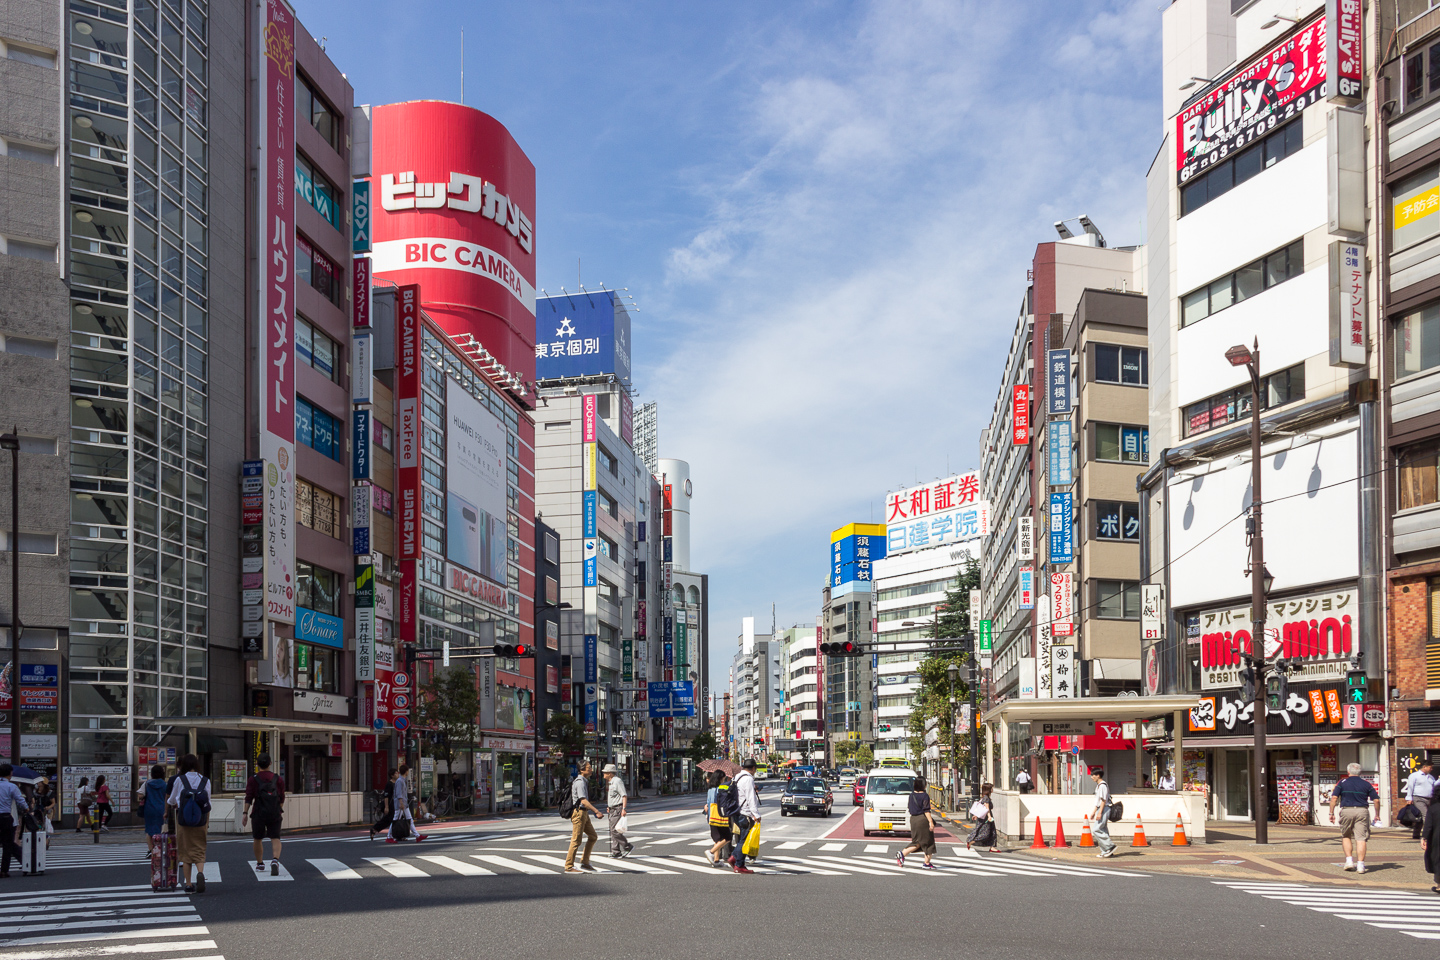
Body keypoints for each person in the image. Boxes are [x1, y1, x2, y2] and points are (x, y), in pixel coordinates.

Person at [166, 754, 210, 894]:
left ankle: (189, 884)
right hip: (201, 819)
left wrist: (172, 805)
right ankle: (201, 873)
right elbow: (208, 801)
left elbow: (172, 800)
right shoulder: (205, 780)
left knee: (185, 851)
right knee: (199, 847)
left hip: (183, 819)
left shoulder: (180, 779)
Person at [1329, 762, 1380, 874]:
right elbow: (1376, 800)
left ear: (1348, 772)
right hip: (1362, 811)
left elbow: (1334, 798)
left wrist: (1331, 813)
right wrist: (1377, 815)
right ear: (1360, 772)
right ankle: (1361, 865)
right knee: (1361, 838)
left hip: (1347, 810)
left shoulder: (1342, 782)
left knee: (1346, 835)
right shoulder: (1366, 784)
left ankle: (1349, 861)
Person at [242, 753, 286, 875]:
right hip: (274, 812)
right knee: (275, 837)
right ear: (270, 763)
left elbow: (249, 797)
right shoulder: (278, 779)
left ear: (257, 764)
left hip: (258, 813)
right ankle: (275, 860)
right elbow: (282, 797)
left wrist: (245, 813)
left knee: (257, 838)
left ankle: (260, 863)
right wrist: (278, 809)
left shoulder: (253, 779)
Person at [564, 760, 600, 873]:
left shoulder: (584, 781)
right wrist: (596, 811)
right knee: (576, 840)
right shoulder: (580, 782)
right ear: (582, 769)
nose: (591, 769)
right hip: (579, 812)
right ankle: (569, 866)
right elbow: (583, 800)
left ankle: (585, 862)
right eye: (589, 768)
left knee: (593, 836)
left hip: (583, 813)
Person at [897, 775, 937, 869]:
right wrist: (931, 821)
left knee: (918, 841)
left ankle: (902, 854)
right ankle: (926, 863)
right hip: (922, 820)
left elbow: (910, 808)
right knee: (928, 842)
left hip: (913, 819)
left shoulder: (911, 795)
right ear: (923, 785)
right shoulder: (924, 796)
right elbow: (926, 810)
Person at [731, 758, 761, 874]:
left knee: (743, 839)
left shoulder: (737, 777)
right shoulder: (748, 779)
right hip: (745, 813)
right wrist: (756, 814)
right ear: (753, 768)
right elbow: (750, 798)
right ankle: (738, 863)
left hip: (736, 811)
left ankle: (736, 859)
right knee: (744, 840)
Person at [0, 765, 28, 879]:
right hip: (5, 817)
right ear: (10, 774)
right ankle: (4, 870)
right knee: (8, 844)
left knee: (8, 843)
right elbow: (20, 800)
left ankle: (24, 860)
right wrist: (27, 809)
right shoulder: (11, 786)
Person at [387, 764, 427, 843]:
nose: (408, 772)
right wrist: (401, 803)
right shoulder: (400, 781)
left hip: (404, 804)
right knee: (395, 819)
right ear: (406, 772)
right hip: (401, 805)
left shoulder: (401, 780)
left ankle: (417, 836)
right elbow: (399, 794)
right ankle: (389, 836)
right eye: (407, 771)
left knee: (410, 820)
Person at [602, 764, 633, 859]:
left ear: (610, 773)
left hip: (617, 809)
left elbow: (624, 795)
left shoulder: (617, 781)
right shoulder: (611, 782)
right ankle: (616, 851)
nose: (603, 774)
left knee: (614, 830)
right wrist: (609, 806)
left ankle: (627, 846)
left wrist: (624, 808)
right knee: (613, 830)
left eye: (605, 772)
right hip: (612, 809)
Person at [704, 771, 733, 867]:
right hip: (720, 815)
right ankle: (711, 852)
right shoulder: (720, 789)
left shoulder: (710, 790)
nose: (724, 780)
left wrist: (708, 817)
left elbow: (708, 804)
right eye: (723, 779)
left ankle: (716, 861)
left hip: (712, 816)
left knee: (718, 839)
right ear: (720, 779)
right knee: (727, 837)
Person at [138, 764, 168, 855]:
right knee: (161, 829)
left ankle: (151, 850)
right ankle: (159, 848)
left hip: (149, 809)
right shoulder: (165, 784)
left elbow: (140, 795)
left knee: (149, 830)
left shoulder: (147, 783)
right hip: (161, 809)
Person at [1404, 761, 1436, 841]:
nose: (1431, 769)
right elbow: (1410, 787)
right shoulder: (1414, 775)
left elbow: (1435, 786)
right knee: (1426, 815)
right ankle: (1428, 834)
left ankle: (1416, 834)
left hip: (1429, 798)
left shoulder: (1431, 777)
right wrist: (1409, 798)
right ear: (1424, 767)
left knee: (1420, 817)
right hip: (1418, 798)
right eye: (1430, 767)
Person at [1089, 769, 1117, 859]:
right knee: (1103, 830)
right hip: (1101, 809)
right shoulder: (1099, 786)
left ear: (1098, 775)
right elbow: (1098, 801)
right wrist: (1094, 812)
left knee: (1096, 830)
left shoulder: (1102, 786)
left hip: (1104, 809)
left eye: (1093, 775)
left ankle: (1110, 846)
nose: (1091, 777)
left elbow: (1103, 800)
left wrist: (1099, 813)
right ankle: (1106, 851)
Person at [968, 782, 1000, 853]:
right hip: (986, 818)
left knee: (992, 832)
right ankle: (971, 841)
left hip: (984, 817)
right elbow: (986, 809)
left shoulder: (985, 797)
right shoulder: (986, 798)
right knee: (985, 833)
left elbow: (981, 808)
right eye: (991, 788)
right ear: (988, 789)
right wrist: (989, 817)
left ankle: (992, 847)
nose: (992, 789)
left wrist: (976, 815)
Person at [371, 769, 397, 841]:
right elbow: (386, 796)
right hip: (390, 804)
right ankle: (375, 829)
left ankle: (375, 829)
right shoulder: (389, 784)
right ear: (392, 775)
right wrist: (386, 807)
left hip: (395, 804)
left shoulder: (396, 783)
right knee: (389, 819)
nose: (397, 774)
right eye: (396, 773)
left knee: (392, 819)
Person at [1422, 791, 1440, 893]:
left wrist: (1424, 837)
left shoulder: (1433, 808)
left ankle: (1439, 885)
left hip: (1437, 837)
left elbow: (1428, 826)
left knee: (1437, 859)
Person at [33, 780, 54, 848]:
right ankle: (41, 841)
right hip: (37, 810)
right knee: (39, 826)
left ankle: (46, 841)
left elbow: (53, 802)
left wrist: (48, 807)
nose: (38, 784)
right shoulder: (35, 792)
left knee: (45, 826)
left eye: (39, 782)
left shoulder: (49, 792)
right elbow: (33, 801)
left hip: (47, 811)